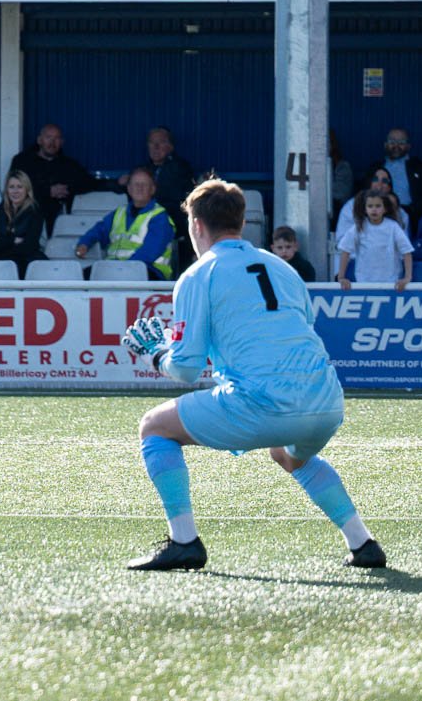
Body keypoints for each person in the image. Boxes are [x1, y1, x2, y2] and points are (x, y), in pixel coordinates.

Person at [117, 177, 385, 571]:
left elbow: (188, 368)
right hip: (326, 401)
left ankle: (184, 541)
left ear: (196, 226)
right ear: (241, 223)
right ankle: (363, 544)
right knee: (288, 454)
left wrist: (157, 356)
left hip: (263, 403)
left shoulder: (198, 274)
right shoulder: (283, 268)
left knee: (154, 427)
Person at [76, 167, 176, 280]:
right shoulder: (119, 213)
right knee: (80, 275)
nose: (139, 188)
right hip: (115, 269)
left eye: (144, 184)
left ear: (152, 189)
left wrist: (123, 269)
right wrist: (84, 243)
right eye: (136, 184)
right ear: (129, 189)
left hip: (148, 272)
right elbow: (99, 230)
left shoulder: (160, 217)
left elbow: (149, 253)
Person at [6, 123, 96, 220]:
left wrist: (67, 189)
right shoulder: (22, 161)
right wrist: (48, 191)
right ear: (39, 140)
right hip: (27, 217)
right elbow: (13, 190)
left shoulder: (69, 164)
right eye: (48, 137)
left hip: (60, 218)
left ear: (62, 142)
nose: (52, 142)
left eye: (57, 138)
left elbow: (89, 183)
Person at [335, 187, 413, 291]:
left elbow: (407, 252)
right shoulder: (359, 227)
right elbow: (345, 250)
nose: (374, 209)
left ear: (385, 208)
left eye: (378, 206)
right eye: (370, 206)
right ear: (365, 209)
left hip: (391, 284)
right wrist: (341, 277)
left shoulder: (393, 227)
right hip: (364, 283)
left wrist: (407, 277)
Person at [360, 127, 422, 222]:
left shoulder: (421, 168)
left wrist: (410, 210)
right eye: (392, 142)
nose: (396, 145)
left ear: (408, 146)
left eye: (401, 142)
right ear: (385, 145)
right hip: (377, 214)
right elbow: (364, 194)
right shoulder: (374, 169)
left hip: (409, 216)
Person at [0, 171, 45, 276]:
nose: (15, 191)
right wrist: (13, 240)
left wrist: (0, 241)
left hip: (24, 263)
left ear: (27, 190)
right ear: (7, 190)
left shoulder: (35, 213)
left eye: (20, 187)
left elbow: (29, 246)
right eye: (11, 187)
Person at [335, 169, 407, 234]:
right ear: (368, 182)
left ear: (389, 187)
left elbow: (404, 244)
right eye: (375, 179)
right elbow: (342, 239)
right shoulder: (351, 206)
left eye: (385, 181)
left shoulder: (399, 211)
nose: (379, 185)